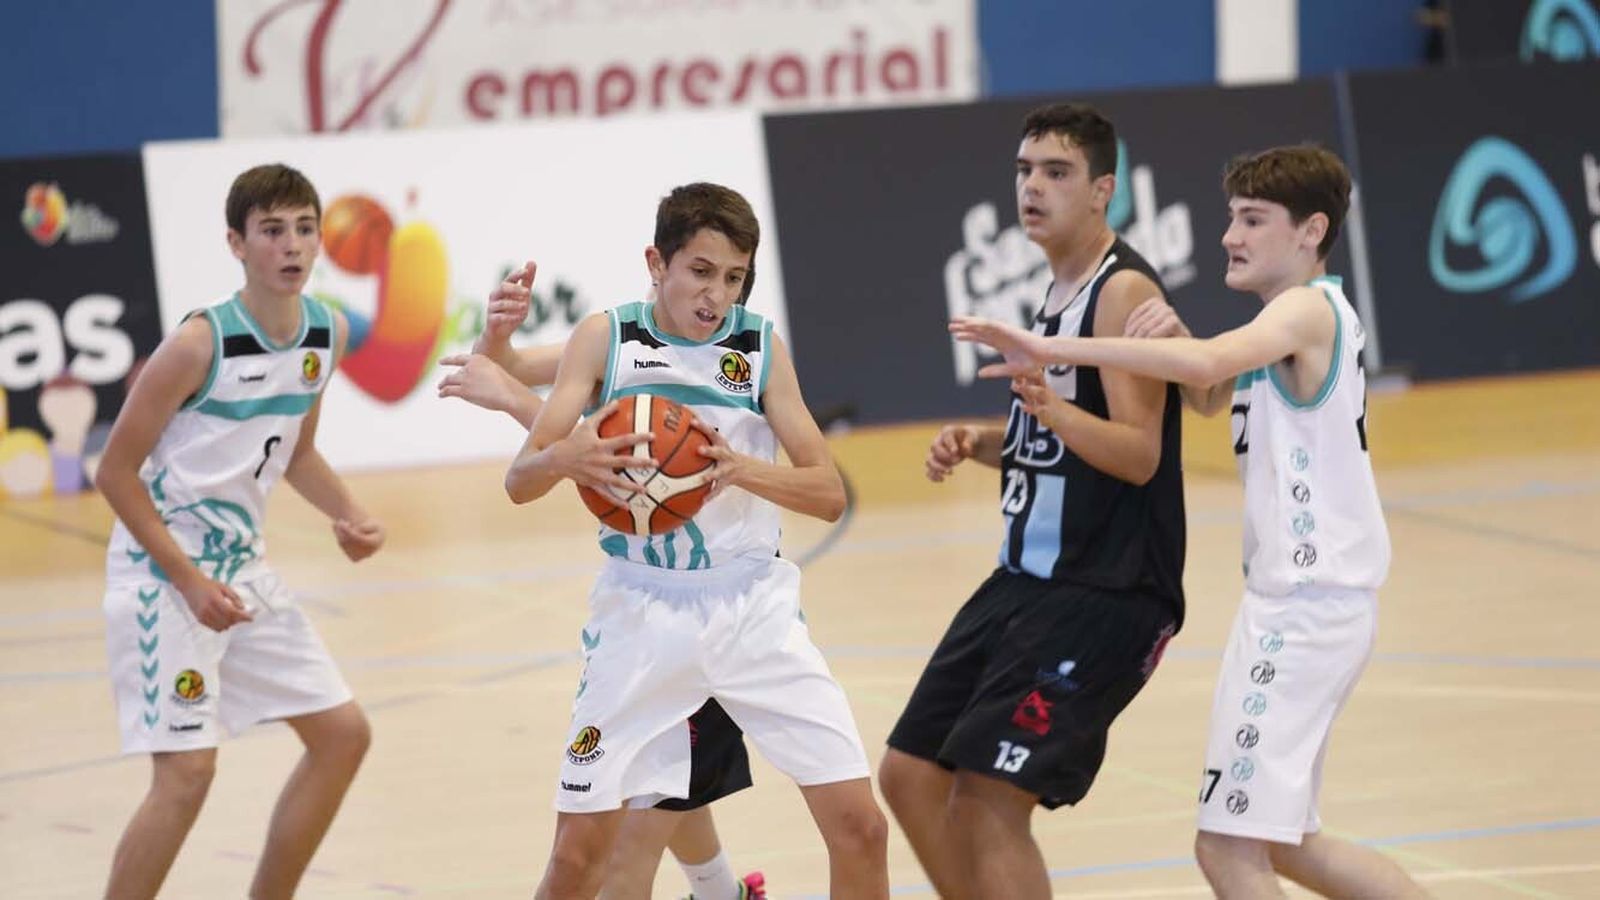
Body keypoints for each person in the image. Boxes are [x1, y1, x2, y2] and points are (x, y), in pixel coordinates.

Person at [950, 144, 1429, 898]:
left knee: (1227, 850)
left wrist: (1047, 346)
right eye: (1230, 218)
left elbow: (1207, 370)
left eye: (1251, 220)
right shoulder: (1286, 320)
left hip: (1304, 612)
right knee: (1291, 845)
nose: (1230, 236)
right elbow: (1209, 394)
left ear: (1311, 231)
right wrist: (1176, 342)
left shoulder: (1305, 310)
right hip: (1308, 606)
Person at [501, 183, 888, 899]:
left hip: (753, 608)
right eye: (701, 271)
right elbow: (519, 481)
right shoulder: (605, 338)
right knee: (577, 857)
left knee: (861, 828)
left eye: (734, 277)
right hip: (640, 613)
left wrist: (743, 469)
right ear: (658, 261)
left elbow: (828, 492)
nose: (716, 294)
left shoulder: (758, 347)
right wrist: (566, 457)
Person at [877, 101, 1187, 898]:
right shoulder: (1055, 293)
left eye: (1057, 172)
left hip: (1104, 590)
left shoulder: (1121, 294)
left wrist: (1050, 410)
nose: (1033, 187)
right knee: (909, 775)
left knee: (985, 801)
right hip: (1024, 581)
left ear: (1102, 191)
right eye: (1024, 171)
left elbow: (1138, 455)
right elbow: (1059, 443)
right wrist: (987, 443)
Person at [96, 163, 384, 899]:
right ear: (237, 243)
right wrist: (188, 582)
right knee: (187, 775)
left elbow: (298, 452)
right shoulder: (198, 343)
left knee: (342, 735)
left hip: (242, 574)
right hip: (165, 580)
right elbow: (116, 473)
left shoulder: (327, 330)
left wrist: (345, 513)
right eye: (272, 230)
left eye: (305, 228)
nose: (292, 245)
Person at [437, 265, 766, 900]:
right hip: (644, 607)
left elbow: (635, 461)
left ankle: (721, 891)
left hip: (712, 608)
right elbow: (523, 371)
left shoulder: (725, 360)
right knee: (670, 781)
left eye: (719, 277)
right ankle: (722, 891)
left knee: (624, 845)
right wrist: (499, 339)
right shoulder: (624, 336)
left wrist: (511, 398)